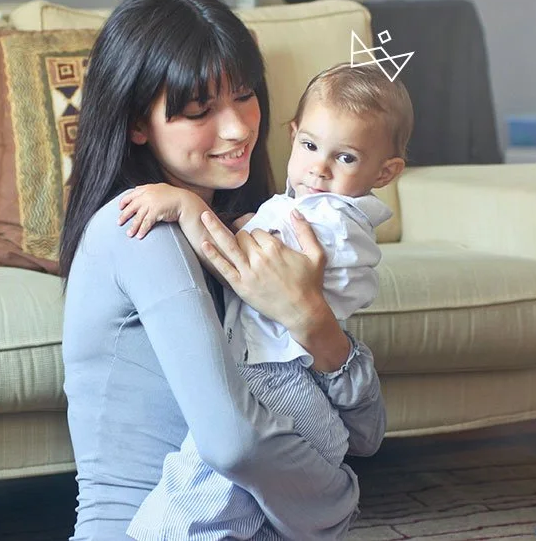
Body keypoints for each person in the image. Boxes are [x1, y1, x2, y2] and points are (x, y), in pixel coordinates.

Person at [60, 0, 386, 541]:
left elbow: (367, 432)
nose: (237, 129)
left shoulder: (259, 232)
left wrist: (312, 318)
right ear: (139, 124)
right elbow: (232, 443)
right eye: (199, 111)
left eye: (244, 95)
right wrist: (338, 499)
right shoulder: (139, 227)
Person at [116, 63, 413, 540]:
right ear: (293, 135)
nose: (319, 167)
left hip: (276, 379)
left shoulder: (329, 218)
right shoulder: (306, 209)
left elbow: (243, 270)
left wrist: (189, 206)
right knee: (250, 519)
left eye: (347, 158)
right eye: (311, 146)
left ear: (387, 171)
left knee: (195, 497)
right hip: (293, 381)